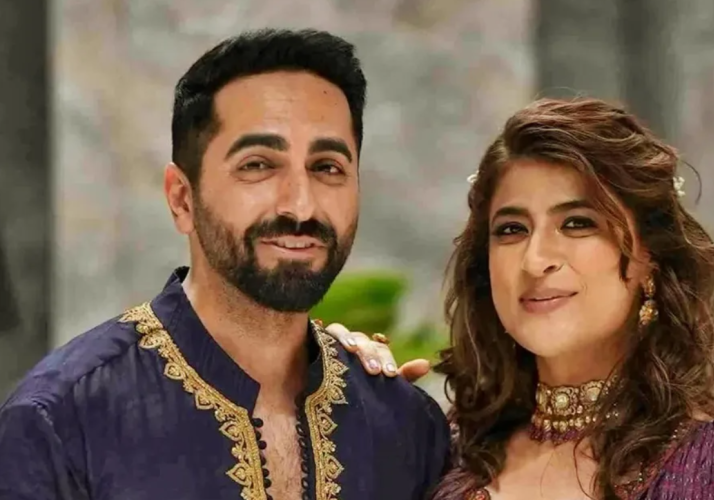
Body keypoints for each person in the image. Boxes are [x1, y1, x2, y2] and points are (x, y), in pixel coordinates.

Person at [0, 28, 450, 500]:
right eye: (257, 165)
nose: (300, 205)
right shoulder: (61, 423)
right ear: (182, 199)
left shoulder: (407, 429)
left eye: (327, 167)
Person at [326, 98, 714, 499]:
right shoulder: (441, 462)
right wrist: (338, 412)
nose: (535, 260)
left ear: (649, 258)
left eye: (577, 224)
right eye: (511, 229)